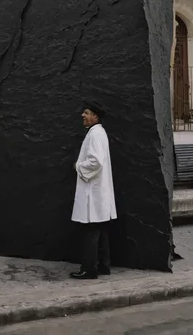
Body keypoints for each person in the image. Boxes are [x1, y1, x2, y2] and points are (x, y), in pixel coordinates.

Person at [70, 102, 117, 280]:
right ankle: (103, 266)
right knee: (100, 230)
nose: (83, 115)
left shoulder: (95, 134)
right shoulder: (99, 133)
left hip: (93, 192)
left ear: (95, 116)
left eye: (86, 112)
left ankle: (89, 269)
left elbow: (95, 161)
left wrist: (78, 166)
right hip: (99, 192)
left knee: (91, 231)